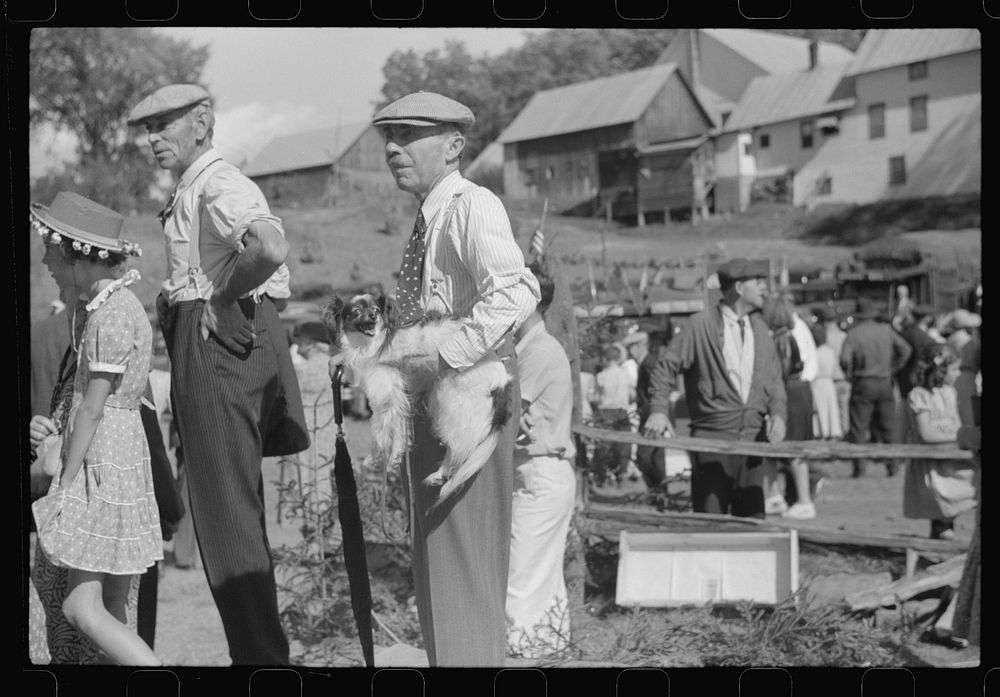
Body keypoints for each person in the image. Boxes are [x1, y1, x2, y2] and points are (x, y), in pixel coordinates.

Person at [128, 83, 310, 664]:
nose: (153, 138)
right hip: (223, 340)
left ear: (203, 123)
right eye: (147, 129)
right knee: (233, 511)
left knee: (225, 518)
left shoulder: (217, 181)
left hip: (219, 343)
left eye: (166, 124)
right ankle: (260, 655)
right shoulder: (194, 186)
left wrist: (223, 297)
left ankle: (261, 661)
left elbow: (270, 247)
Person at [371, 90, 539, 666]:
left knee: (463, 562)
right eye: (386, 137)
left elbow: (517, 292)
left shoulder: (472, 205)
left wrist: (447, 357)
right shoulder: (429, 217)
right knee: (439, 565)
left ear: (453, 144)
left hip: (469, 398)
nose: (392, 147)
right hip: (436, 402)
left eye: (408, 135)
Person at [29, 192, 162, 665]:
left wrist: (66, 480)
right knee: (110, 608)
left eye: (50, 249)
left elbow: (91, 405)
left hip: (100, 457)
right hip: (122, 454)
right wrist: (73, 289)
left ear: (74, 253)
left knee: (79, 606)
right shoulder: (113, 304)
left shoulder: (110, 313)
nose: (43, 259)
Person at [643, 259, 787, 519]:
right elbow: (665, 369)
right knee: (711, 521)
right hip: (712, 442)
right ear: (740, 288)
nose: (765, 288)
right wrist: (659, 410)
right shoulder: (700, 325)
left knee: (752, 522)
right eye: (759, 282)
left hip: (753, 442)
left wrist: (778, 413)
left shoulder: (761, 329)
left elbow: (775, 380)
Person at [505, 263, 576, 658]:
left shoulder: (538, 351)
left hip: (540, 471)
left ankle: (518, 653)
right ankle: (549, 646)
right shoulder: (530, 348)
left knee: (521, 573)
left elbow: (508, 412)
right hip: (543, 470)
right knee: (542, 574)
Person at [903, 345, 976, 541]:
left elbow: (956, 424)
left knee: (975, 479)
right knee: (942, 499)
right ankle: (941, 528)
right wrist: (960, 435)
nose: (958, 374)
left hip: (950, 458)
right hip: (932, 465)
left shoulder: (950, 393)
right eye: (954, 369)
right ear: (940, 370)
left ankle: (943, 528)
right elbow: (926, 434)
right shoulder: (920, 395)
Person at [840, 297, 912, 478]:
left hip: (863, 382)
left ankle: (859, 468)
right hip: (885, 381)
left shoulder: (854, 334)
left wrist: (849, 374)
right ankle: (893, 466)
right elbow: (906, 349)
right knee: (889, 427)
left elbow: (844, 359)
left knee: (859, 428)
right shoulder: (885, 331)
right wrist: (893, 368)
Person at [762, 296, 817, 519]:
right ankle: (777, 495)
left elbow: (780, 373)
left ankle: (803, 500)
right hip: (801, 391)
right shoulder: (798, 330)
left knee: (791, 448)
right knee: (782, 447)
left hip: (789, 393)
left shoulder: (781, 339)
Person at [632, 330, 671, 489]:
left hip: (651, 416)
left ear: (641, 346)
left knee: (644, 456)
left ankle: (657, 488)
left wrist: (658, 412)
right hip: (650, 414)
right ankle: (660, 493)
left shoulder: (648, 363)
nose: (629, 352)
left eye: (631, 347)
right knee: (656, 456)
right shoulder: (646, 362)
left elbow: (658, 389)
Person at [593, 344, 634, 482]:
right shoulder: (625, 374)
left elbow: (597, 397)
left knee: (604, 445)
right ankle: (622, 473)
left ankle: (603, 475)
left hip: (605, 411)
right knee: (623, 444)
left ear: (605, 358)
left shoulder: (601, 376)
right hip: (622, 411)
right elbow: (632, 394)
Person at [815, 306, 850, 438]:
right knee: (844, 414)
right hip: (844, 379)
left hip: (830, 380)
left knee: (830, 414)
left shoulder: (824, 339)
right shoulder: (844, 336)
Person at [810, 322, 843, 440]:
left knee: (821, 409)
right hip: (829, 382)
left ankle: (822, 432)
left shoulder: (815, 353)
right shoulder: (830, 351)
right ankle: (833, 432)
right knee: (831, 409)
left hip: (818, 383)